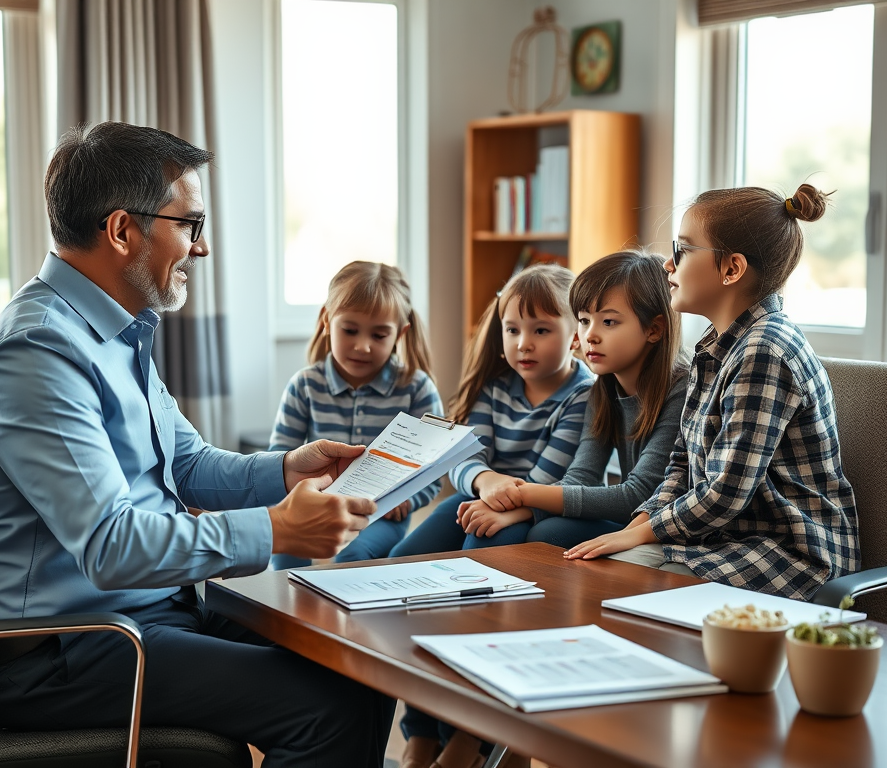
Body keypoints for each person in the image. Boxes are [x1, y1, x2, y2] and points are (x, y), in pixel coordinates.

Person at [0, 121, 394, 767]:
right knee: (330, 708)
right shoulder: (38, 350)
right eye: (190, 223)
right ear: (123, 230)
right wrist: (275, 530)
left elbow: (184, 464)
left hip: (142, 613)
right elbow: (111, 546)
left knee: (361, 665)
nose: (202, 246)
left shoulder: (113, 329)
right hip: (64, 653)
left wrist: (288, 470)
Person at [563, 183, 860, 600]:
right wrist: (638, 525)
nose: (668, 264)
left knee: (616, 582)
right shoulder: (715, 347)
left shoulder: (765, 351)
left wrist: (640, 535)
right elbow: (681, 463)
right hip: (723, 538)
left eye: (682, 251)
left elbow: (725, 493)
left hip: (790, 555)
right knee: (601, 565)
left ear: (731, 269)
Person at [390, 263, 592, 768]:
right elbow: (460, 457)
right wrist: (486, 483)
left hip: (531, 509)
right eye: (513, 329)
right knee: (402, 566)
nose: (524, 342)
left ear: (574, 336)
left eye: (542, 330)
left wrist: (509, 502)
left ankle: (473, 738)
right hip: (485, 501)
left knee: (472, 586)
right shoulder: (495, 384)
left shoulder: (584, 395)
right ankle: (421, 731)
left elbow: (556, 476)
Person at [456, 251, 688, 549]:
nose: (590, 335)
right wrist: (520, 507)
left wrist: (520, 497)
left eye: (608, 322)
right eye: (584, 320)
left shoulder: (681, 389)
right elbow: (583, 476)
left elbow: (637, 494)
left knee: (549, 533)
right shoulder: (602, 388)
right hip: (628, 516)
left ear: (654, 329)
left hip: (660, 524)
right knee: (495, 527)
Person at [269, 260, 443, 570]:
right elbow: (279, 458)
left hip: (378, 511)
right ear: (326, 320)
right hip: (316, 504)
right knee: (283, 548)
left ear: (400, 333)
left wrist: (406, 501)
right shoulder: (305, 385)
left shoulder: (416, 388)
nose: (362, 347)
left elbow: (434, 468)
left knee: (353, 557)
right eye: (350, 330)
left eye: (379, 336)